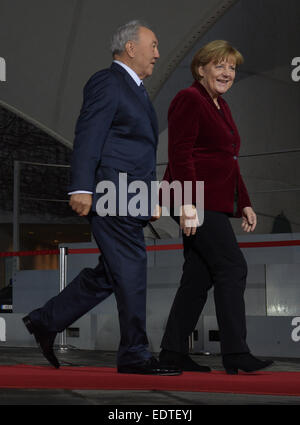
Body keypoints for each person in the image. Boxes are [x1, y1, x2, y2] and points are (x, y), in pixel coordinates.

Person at [23, 20, 180, 376]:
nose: (157, 53)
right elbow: (89, 134)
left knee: (111, 274)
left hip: (129, 195)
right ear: (130, 48)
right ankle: (134, 355)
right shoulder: (108, 82)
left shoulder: (135, 89)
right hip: (112, 194)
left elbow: (137, 150)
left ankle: (46, 321)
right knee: (132, 268)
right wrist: (80, 187)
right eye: (153, 45)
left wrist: (150, 197)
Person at [159, 40, 273, 374]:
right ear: (201, 68)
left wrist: (246, 203)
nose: (227, 73)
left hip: (217, 202)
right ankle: (235, 352)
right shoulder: (190, 99)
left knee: (198, 277)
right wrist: (187, 203)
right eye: (219, 65)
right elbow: (180, 154)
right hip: (196, 200)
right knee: (232, 267)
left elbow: (229, 160)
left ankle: (172, 352)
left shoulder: (221, 105)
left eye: (232, 67)